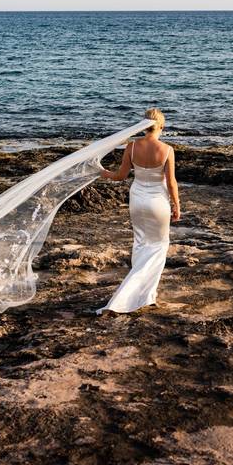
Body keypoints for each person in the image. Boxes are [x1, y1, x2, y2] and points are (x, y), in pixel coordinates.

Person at [96, 108, 180, 314]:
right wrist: (176, 205)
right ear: (161, 126)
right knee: (159, 246)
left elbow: (120, 176)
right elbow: (171, 183)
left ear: (144, 125)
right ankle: (144, 294)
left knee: (141, 243)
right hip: (157, 203)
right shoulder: (167, 150)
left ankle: (143, 293)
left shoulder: (132, 147)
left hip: (137, 201)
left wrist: (101, 172)